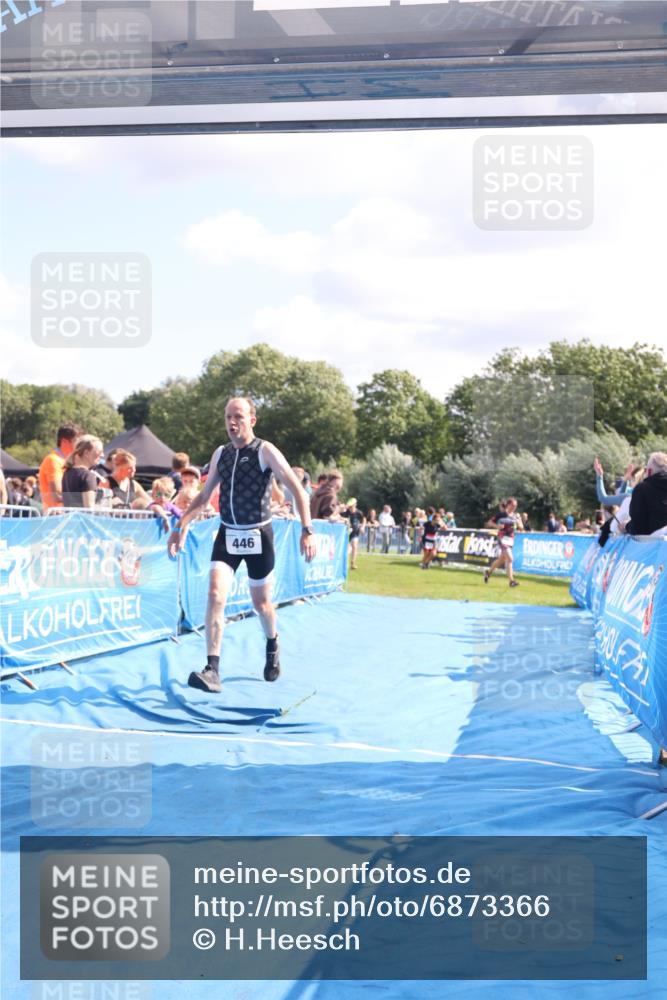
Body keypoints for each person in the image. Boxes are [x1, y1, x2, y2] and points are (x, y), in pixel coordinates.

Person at [168, 396, 316, 693]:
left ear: (252, 420)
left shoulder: (265, 451)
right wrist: (181, 525)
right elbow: (203, 495)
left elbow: (298, 490)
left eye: (238, 416)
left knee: (261, 604)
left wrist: (307, 529)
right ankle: (213, 669)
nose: (232, 422)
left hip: (259, 536)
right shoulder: (221, 454)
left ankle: (272, 642)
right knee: (214, 594)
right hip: (228, 535)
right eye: (227, 417)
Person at [38, 424, 80, 510]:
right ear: (64, 441)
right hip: (55, 517)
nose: (79, 445)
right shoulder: (53, 460)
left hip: (64, 515)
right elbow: (57, 495)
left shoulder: (66, 461)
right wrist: (83, 498)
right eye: (76, 441)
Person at [484, 497, 523, 588]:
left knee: (501, 559)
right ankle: (511, 581)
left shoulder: (516, 515)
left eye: (515, 506)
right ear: (508, 505)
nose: (514, 507)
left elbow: (521, 527)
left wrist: (518, 522)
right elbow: (489, 523)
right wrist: (497, 526)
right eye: (513, 505)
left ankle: (488, 573)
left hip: (510, 539)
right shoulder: (501, 514)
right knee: (510, 558)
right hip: (502, 538)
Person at [626, 452, 667, 535]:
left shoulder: (642, 489)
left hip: (653, 544)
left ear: (649, 471)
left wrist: (626, 526)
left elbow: (638, 528)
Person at [61, 436, 105, 508]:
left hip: (71, 518)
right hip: (81, 519)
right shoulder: (87, 476)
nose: (102, 455)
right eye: (99, 452)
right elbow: (89, 509)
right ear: (86, 453)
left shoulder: (67, 473)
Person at [341, 498, 365, 570]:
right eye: (350, 506)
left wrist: (362, 527)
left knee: (354, 545)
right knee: (347, 548)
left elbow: (364, 519)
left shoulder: (359, 512)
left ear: (355, 505)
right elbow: (339, 516)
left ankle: (353, 563)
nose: (351, 507)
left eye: (353, 505)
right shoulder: (346, 512)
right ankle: (345, 563)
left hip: (355, 532)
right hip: (346, 532)